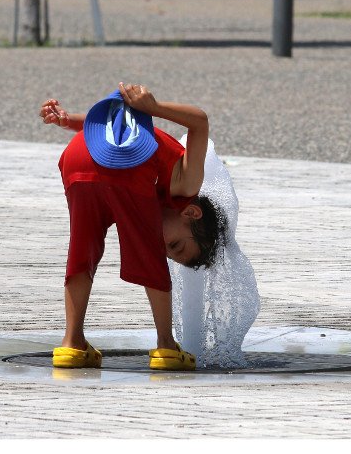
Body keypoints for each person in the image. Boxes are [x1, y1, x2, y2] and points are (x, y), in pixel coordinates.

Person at [39, 83, 220, 371]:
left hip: (79, 156)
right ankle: (166, 347)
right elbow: (200, 121)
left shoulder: (157, 197)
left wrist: (69, 119)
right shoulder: (188, 184)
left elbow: (113, 121)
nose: (165, 247)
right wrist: (155, 108)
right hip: (126, 168)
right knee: (149, 259)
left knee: (81, 252)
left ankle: (71, 345)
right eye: (175, 245)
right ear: (191, 212)